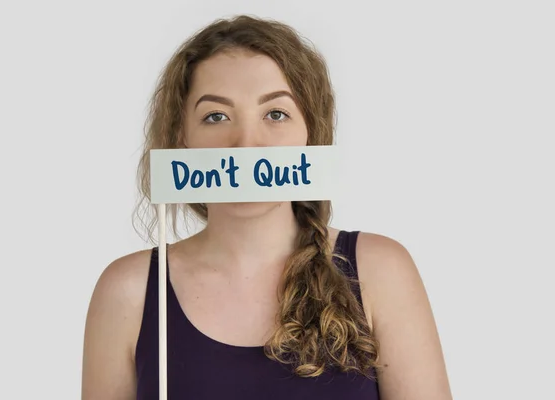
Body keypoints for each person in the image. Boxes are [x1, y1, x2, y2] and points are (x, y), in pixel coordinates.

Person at [81, 14, 452, 400]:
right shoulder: (129, 292)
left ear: (310, 131)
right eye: (216, 116)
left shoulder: (379, 272)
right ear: (182, 137)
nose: (246, 144)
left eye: (276, 114)